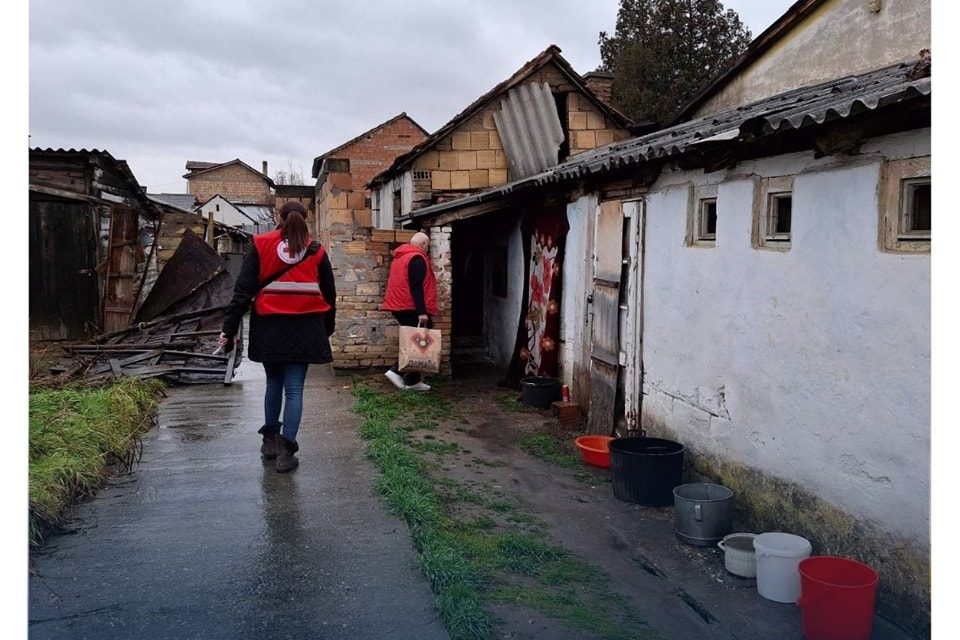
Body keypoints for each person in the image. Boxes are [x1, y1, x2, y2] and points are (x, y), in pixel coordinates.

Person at [218, 201, 336, 473]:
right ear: (305, 219)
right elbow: (330, 295)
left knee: (273, 383)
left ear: (279, 217)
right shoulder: (317, 251)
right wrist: (326, 329)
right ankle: (286, 453)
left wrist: (229, 327)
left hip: (269, 327)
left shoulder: (260, 244)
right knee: (294, 390)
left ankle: (269, 442)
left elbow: (242, 291)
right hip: (305, 328)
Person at [382, 231, 437, 392]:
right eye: (427, 246)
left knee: (416, 340)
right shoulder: (417, 258)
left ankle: (412, 381)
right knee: (419, 341)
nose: (428, 249)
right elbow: (416, 286)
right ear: (423, 244)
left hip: (399, 305)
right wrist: (422, 311)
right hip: (410, 306)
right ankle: (396, 371)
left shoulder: (401, 256)